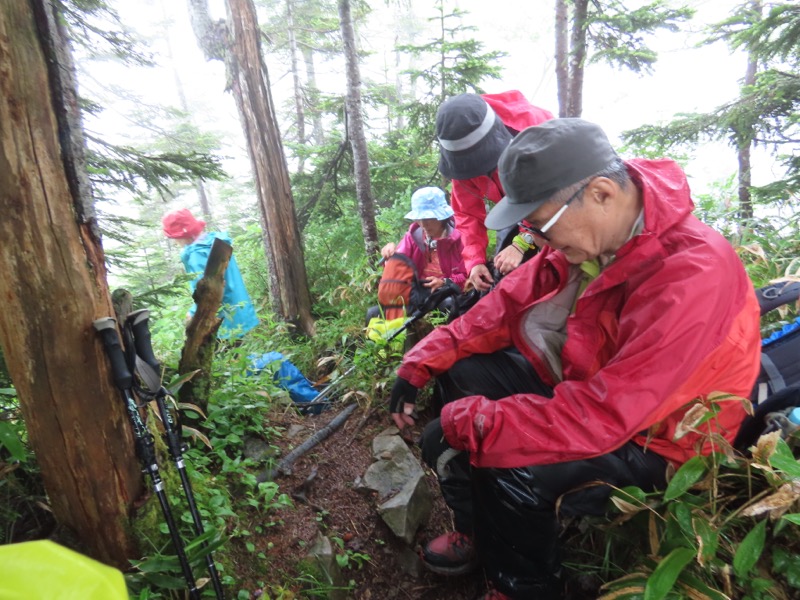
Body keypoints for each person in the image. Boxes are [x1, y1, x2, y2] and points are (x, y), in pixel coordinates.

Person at [388, 119, 762, 599]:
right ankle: (484, 533)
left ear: (603, 193)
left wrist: (482, 423)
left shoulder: (690, 274)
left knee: (508, 463)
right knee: (463, 374)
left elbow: (611, 412)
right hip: (588, 388)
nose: (536, 241)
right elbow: (503, 308)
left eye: (539, 224)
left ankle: (527, 587)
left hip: (657, 438)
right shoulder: (590, 237)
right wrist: (420, 362)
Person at [436, 90, 553, 292]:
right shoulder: (460, 162)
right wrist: (475, 261)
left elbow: (550, 192)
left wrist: (522, 243)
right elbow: (466, 213)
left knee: (551, 267)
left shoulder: (535, 130)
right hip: (511, 209)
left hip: (555, 203)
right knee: (501, 276)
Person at [371, 187, 467, 323]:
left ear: (441, 217)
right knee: (373, 314)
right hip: (418, 294)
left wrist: (444, 282)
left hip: (445, 293)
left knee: (449, 305)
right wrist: (391, 255)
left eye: (429, 218)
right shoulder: (413, 237)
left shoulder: (459, 238)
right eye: (420, 218)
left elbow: (466, 274)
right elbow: (399, 268)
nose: (424, 224)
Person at [162, 208, 259, 339]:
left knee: (229, 355)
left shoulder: (198, 255)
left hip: (224, 320)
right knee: (242, 353)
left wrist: (193, 314)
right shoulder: (217, 242)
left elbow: (208, 291)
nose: (175, 242)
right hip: (240, 311)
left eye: (174, 238)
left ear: (182, 236)